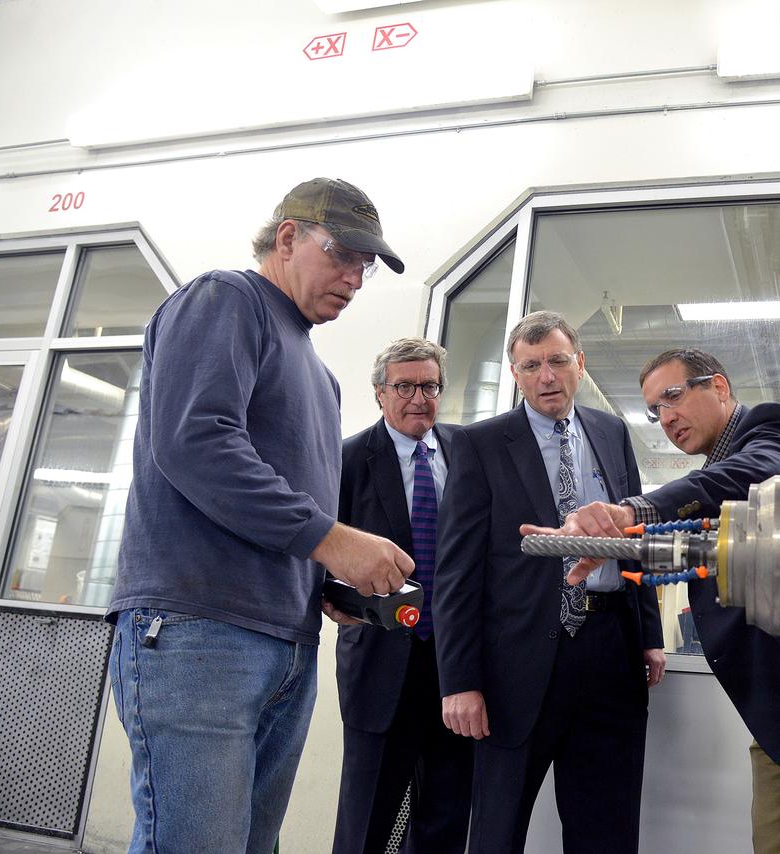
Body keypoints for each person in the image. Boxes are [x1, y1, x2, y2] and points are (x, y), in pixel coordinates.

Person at [106, 178, 415, 854]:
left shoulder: (321, 376)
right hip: (197, 630)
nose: (355, 278)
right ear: (287, 237)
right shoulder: (226, 299)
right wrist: (331, 540)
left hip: (285, 641)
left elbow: (283, 507)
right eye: (343, 255)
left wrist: (325, 582)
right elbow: (196, 442)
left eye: (366, 266)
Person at [534, 348, 780, 854]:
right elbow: (709, 550)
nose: (666, 417)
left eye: (673, 396)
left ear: (719, 387)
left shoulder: (768, 432)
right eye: (655, 410)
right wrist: (612, 547)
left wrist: (635, 508)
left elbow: (747, 476)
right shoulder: (719, 477)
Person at [433, 310, 666, 854]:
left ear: (579, 364)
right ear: (514, 374)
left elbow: (634, 537)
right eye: (532, 365)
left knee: (606, 822)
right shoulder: (480, 445)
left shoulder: (610, 432)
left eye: (558, 361)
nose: (547, 376)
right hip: (515, 664)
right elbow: (457, 572)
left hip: (610, 649)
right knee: (498, 826)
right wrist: (458, 681)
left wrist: (649, 632)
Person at [332, 338, 473, 854]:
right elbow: (321, 550)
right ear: (379, 393)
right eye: (405, 386)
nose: (419, 397)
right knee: (366, 821)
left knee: (445, 818)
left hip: (456, 670)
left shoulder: (467, 453)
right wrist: (338, 602)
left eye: (430, 385)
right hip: (380, 663)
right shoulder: (347, 458)